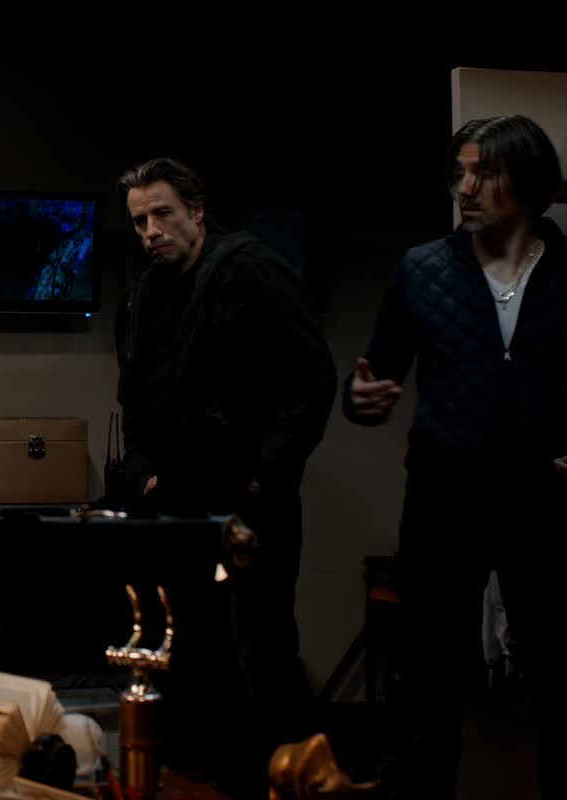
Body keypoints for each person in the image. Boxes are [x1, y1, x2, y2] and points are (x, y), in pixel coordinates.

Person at [345, 115, 567, 799]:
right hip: (444, 507)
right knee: (426, 691)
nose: (465, 188)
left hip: (551, 510)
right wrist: (359, 399)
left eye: (484, 173)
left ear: (528, 182)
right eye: (460, 172)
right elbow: (372, 375)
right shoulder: (422, 270)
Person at [114, 157, 337, 794]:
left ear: (196, 211)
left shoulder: (252, 271)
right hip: (178, 505)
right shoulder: (148, 291)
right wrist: (142, 472)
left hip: (250, 505)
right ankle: (210, 779)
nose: (151, 231)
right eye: (140, 221)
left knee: (261, 650)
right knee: (191, 651)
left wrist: (265, 475)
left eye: (162, 214)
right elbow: (137, 394)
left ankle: (289, 781)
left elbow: (312, 380)